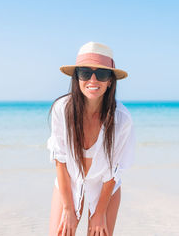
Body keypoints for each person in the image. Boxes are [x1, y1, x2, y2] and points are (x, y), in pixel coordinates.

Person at [48, 41, 135, 236]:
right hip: (69, 182)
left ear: (110, 80)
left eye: (102, 74)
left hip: (106, 188)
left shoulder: (122, 118)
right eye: (85, 72)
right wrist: (69, 209)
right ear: (77, 77)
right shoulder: (61, 109)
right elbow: (60, 161)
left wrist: (100, 212)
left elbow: (114, 170)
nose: (93, 80)